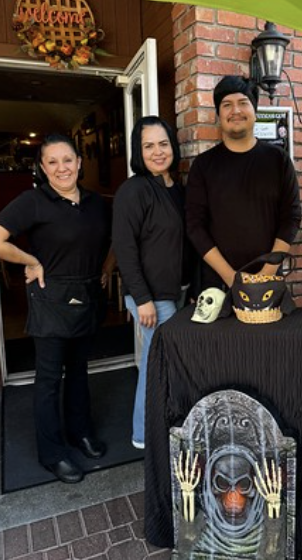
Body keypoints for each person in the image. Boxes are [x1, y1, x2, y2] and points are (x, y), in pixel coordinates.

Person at [0, 134, 112, 484]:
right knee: (49, 380)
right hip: (50, 299)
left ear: (79, 162)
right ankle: (52, 454)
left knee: (78, 370)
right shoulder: (33, 201)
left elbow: (114, 239)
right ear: (43, 168)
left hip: (86, 295)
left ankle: (80, 432)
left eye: (67, 160)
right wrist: (30, 260)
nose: (62, 168)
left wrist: (107, 267)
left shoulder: (95, 202)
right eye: (52, 162)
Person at [112, 116, 187, 450]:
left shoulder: (177, 189)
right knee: (157, 365)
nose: (158, 152)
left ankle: (166, 427)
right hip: (151, 297)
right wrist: (142, 298)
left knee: (167, 363)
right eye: (148, 146)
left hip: (178, 291)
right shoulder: (133, 190)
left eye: (163, 143)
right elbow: (124, 248)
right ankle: (144, 435)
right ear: (138, 151)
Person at [186, 75, 302, 290]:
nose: (235, 111)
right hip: (218, 285)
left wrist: (266, 273)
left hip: (267, 283)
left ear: (255, 110)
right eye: (227, 105)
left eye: (243, 102)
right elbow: (195, 226)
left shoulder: (278, 160)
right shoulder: (203, 166)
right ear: (218, 115)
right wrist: (231, 277)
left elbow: (291, 218)